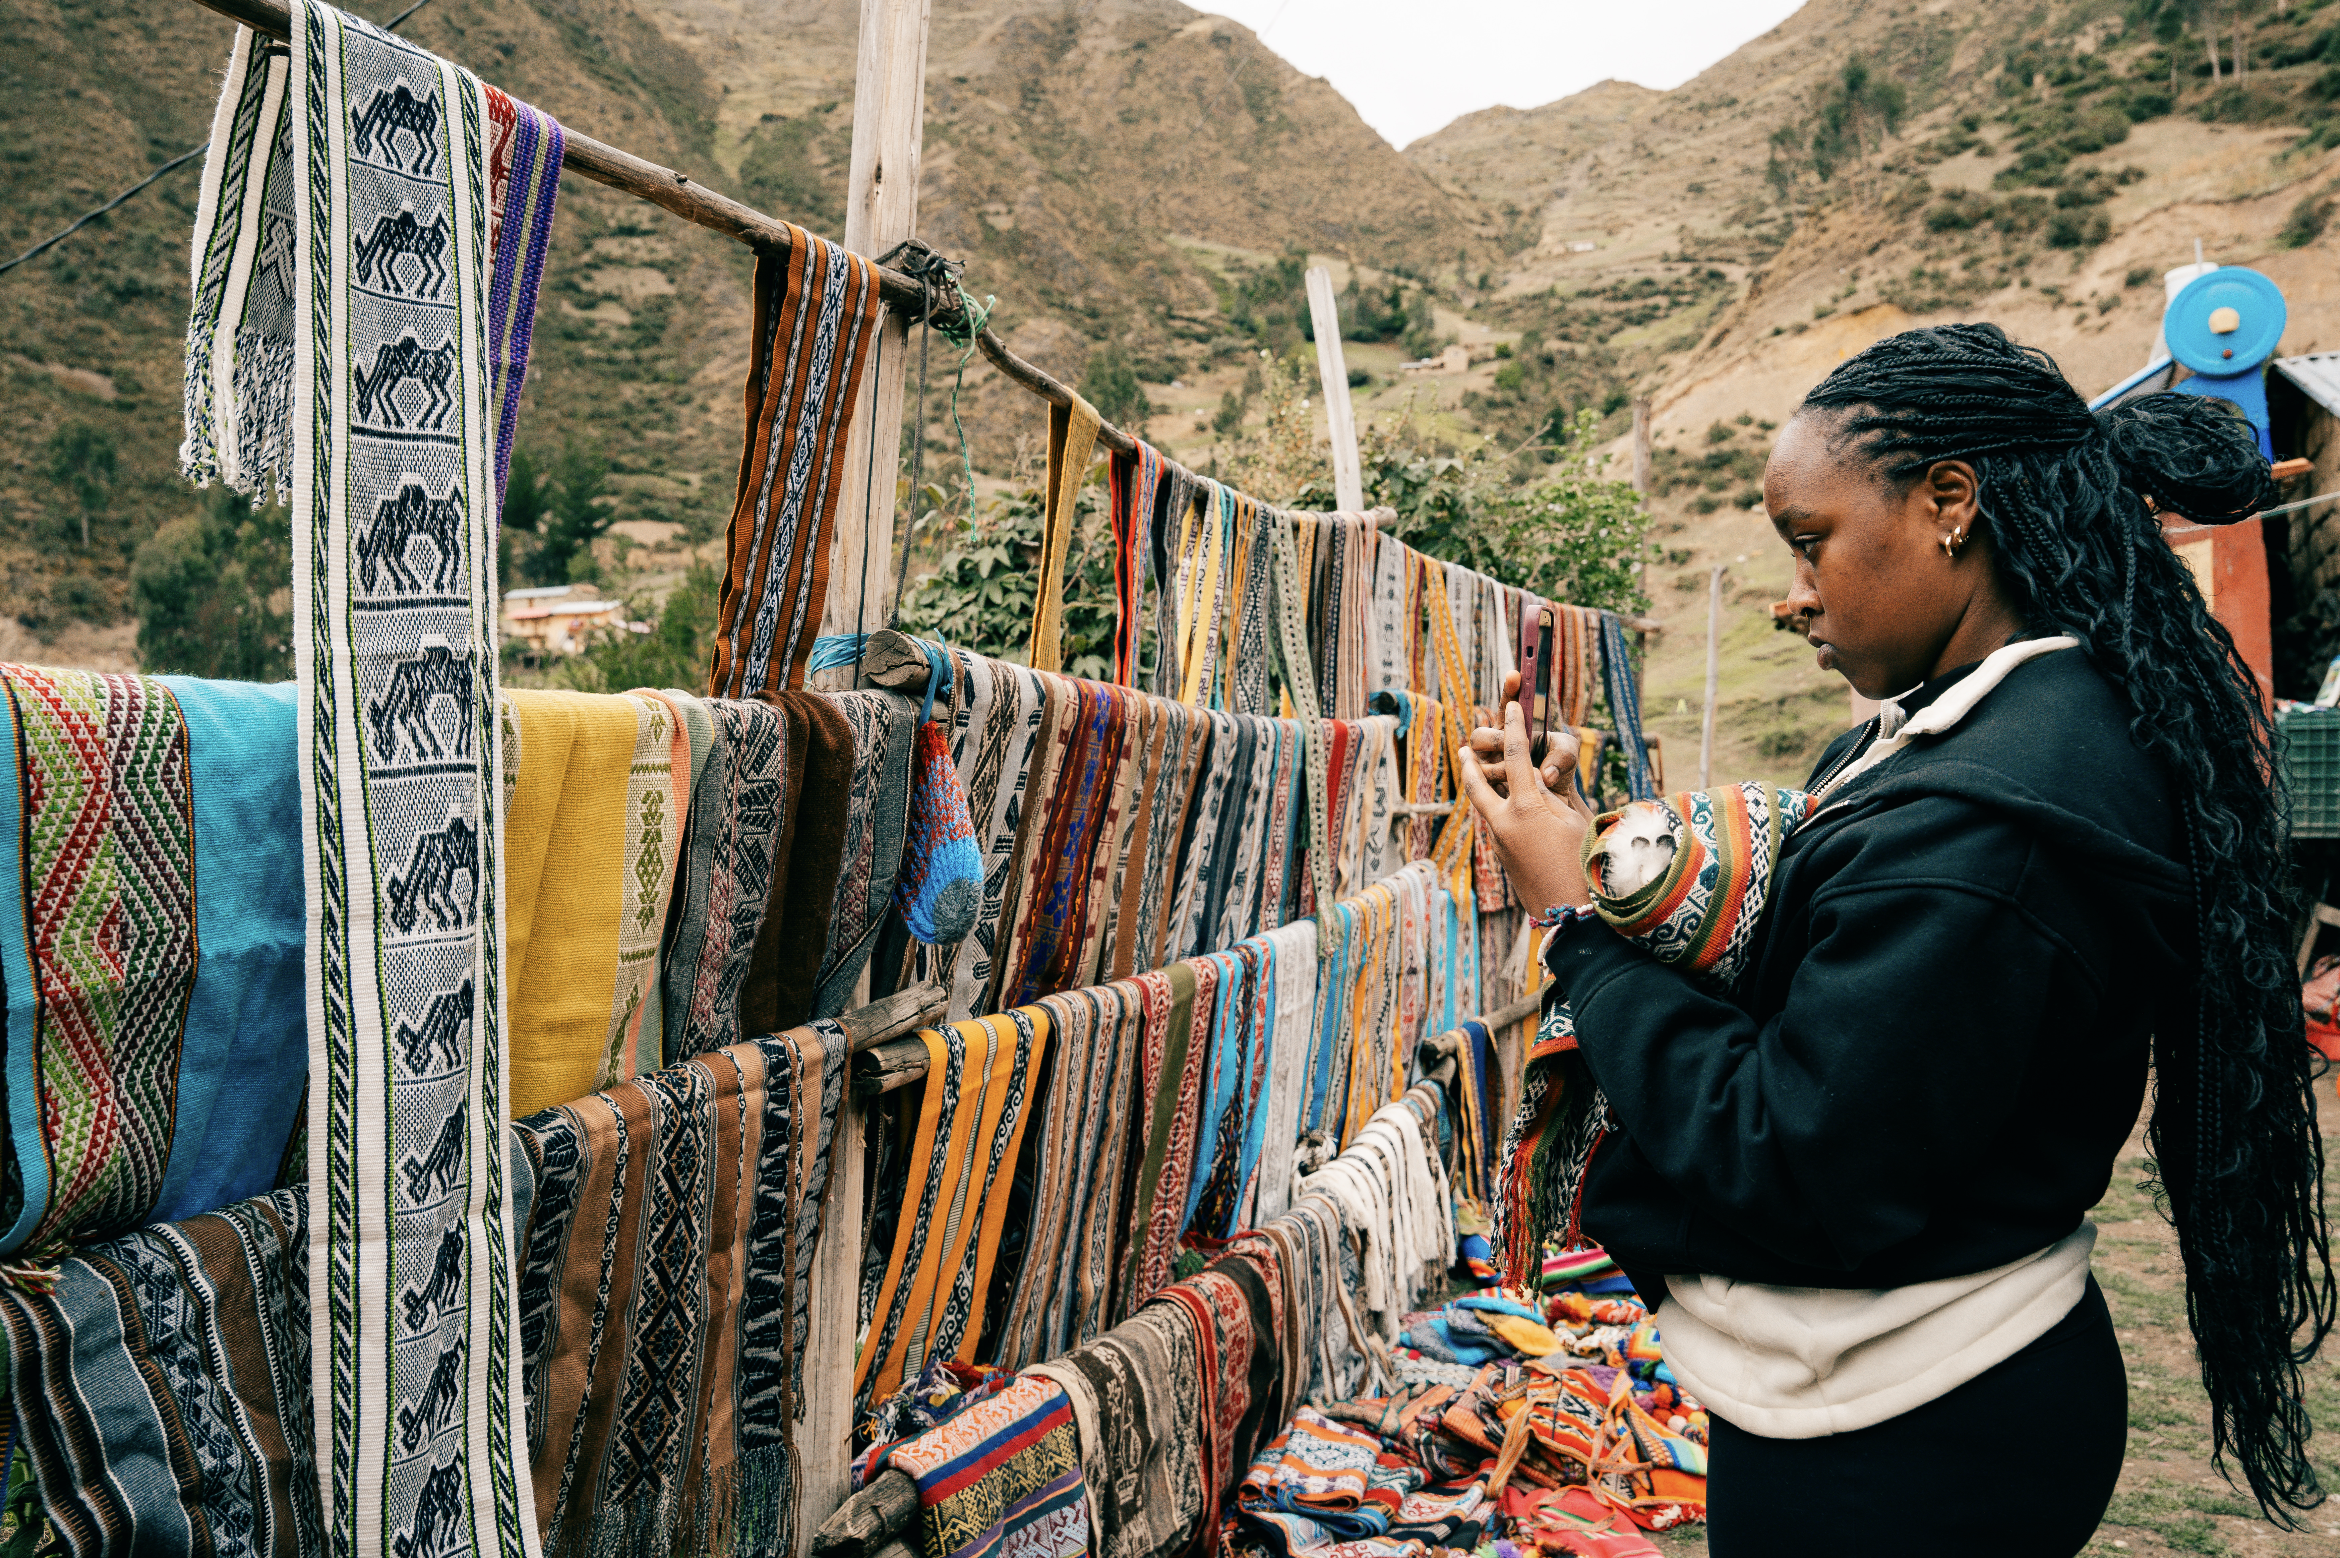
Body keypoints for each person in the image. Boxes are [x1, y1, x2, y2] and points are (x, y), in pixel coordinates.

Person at [1460, 323, 2333, 1556]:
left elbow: (1798, 1158)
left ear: (1949, 504)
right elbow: (1826, 948)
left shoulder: (1989, 832)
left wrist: (1577, 926)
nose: (1791, 592)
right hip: (1941, 1398)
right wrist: (1602, 842)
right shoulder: (1985, 730)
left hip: (1900, 1452)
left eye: (1810, 542)